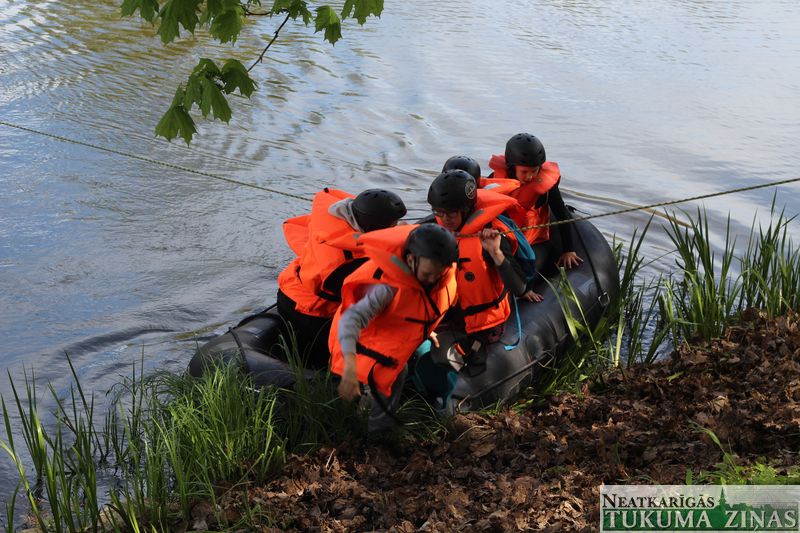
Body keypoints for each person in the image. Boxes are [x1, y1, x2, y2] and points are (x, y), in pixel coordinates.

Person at [329, 224, 459, 430]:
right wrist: (350, 370)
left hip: (397, 331)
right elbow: (349, 321)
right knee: (394, 372)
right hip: (359, 340)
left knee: (438, 355)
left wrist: (427, 330)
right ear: (410, 260)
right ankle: (376, 434)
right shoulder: (385, 290)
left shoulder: (438, 277)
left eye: (438, 274)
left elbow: (421, 306)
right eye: (427, 274)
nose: (433, 280)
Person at [277, 187, 407, 368]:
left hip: (293, 282)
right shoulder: (340, 265)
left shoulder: (341, 216)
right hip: (311, 310)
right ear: (372, 228)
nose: (397, 227)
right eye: (392, 225)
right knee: (321, 361)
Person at [427, 169, 531, 377]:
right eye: (439, 212)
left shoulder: (491, 236)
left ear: (466, 209)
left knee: (440, 357)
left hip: (483, 323)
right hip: (448, 313)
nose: (445, 219)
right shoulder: (435, 228)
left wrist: (496, 252)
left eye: (451, 213)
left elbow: (520, 287)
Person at [483, 133, 583, 273]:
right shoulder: (495, 180)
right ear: (512, 168)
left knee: (526, 272)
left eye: (534, 171)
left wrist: (569, 250)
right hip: (504, 240)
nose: (530, 177)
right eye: (524, 172)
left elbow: (561, 213)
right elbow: (481, 209)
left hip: (535, 242)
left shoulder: (546, 188)